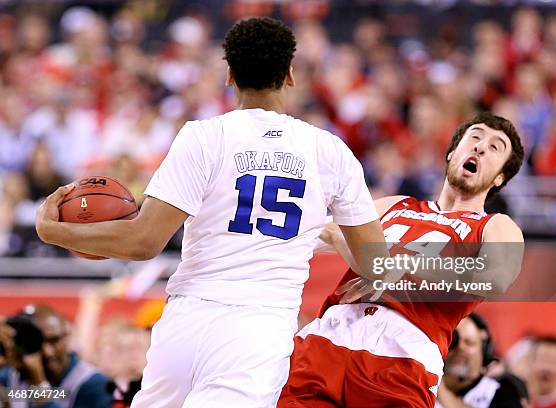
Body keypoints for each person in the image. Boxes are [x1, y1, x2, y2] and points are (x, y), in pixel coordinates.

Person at [35, 17, 389, 407]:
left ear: (229, 75)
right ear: (290, 74)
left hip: (188, 319)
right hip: (257, 328)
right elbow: (376, 264)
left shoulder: (203, 136)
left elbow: (143, 241)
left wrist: (54, 231)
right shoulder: (329, 150)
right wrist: (333, 238)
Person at [279, 112, 525, 407]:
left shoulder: (495, 225)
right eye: (474, 137)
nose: (480, 147)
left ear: (499, 177)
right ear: (451, 153)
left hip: (403, 355)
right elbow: (318, 231)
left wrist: (399, 263)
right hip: (328, 338)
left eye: (495, 147)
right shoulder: (397, 204)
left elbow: (493, 279)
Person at [0, 304, 112, 408]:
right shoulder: (10, 377)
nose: (48, 352)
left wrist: (39, 384)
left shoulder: (93, 384)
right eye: (38, 343)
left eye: (54, 341)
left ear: (67, 336)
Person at [436, 314, 529, 407]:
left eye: (469, 342)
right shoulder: (425, 386)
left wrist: (442, 392)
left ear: (484, 350)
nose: (460, 348)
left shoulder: (502, 391)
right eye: (453, 342)